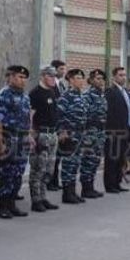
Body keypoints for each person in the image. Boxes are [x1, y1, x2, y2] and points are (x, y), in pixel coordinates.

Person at [0, 65, 32, 219]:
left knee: (18, 173)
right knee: (7, 173)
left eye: (24, 78)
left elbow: (27, 117)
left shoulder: (25, 96)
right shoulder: (3, 95)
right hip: (9, 139)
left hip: (22, 139)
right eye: (19, 77)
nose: (22, 80)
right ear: (10, 77)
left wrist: (29, 135)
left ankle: (12, 204)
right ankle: (3, 206)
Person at [27, 66, 60, 212]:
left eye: (55, 76)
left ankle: (43, 196)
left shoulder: (52, 92)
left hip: (53, 134)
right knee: (38, 169)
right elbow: (30, 115)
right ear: (43, 76)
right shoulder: (35, 93)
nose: (53, 79)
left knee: (49, 169)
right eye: (50, 76)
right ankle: (36, 200)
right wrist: (31, 134)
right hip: (41, 135)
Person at [58, 68, 88, 204]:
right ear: (70, 80)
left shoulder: (81, 95)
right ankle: (66, 194)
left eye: (82, 78)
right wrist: (62, 132)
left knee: (75, 163)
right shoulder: (66, 96)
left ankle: (72, 191)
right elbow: (59, 116)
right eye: (77, 78)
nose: (80, 81)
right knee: (68, 164)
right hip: (69, 134)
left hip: (80, 134)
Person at [104, 67, 130, 193]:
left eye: (124, 75)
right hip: (114, 131)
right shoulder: (110, 92)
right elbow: (109, 113)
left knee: (120, 157)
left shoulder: (124, 91)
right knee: (112, 158)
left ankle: (117, 182)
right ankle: (110, 185)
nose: (123, 77)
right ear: (114, 77)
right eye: (120, 75)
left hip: (125, 129)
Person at [81, 69, 107, 198]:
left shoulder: (101, 95)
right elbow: (84, 115)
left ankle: (91, 186)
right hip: (90, 132)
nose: (101, 81)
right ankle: (85, 188)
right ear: (91, 80)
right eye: (97, 78)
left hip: (100, 132)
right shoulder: (87, 95)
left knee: (96, 160)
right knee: (88, 160)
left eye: (102, 78)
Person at [47, 59, 67, 191]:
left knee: (58, 156)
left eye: (64, 69)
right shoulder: (51, 86)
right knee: (50, 157)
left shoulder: (62, 85)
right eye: (61, 69)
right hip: (52, 126)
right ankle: (49, 181)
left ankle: (54, 181)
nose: (63, 72)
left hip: (60, 126)